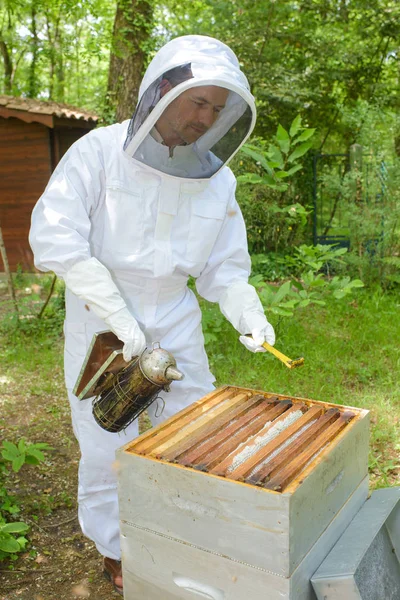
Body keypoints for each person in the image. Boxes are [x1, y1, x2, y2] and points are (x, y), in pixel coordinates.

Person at [29, 34, 275, 595]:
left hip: (176, 313)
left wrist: (246, 311)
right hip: (101, 317)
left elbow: (224, 268)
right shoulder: (96, 151)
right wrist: (118, 315)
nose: (205, 117)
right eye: (198, 101)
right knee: (105, 437)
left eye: (218, 108)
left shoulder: (218, 177)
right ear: (162, 94)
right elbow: (55, 241)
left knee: (192, 427)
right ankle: (116, 549)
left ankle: (179, 533)